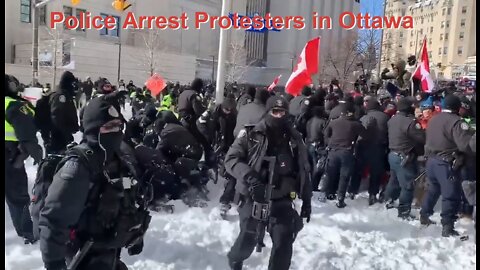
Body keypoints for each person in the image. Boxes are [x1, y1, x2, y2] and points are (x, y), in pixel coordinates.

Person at [39, 95, 151, 270]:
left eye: (118, 126)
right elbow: (53, 221)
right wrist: (54, 264)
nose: (115, 131)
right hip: (83, 256)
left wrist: (136, 234)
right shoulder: (78, 167)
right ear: (93, 129)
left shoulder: (118, 160)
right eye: (108, 127)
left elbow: (131, 198)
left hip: (109, 251)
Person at [224, 96, 311, 270]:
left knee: (284, 241)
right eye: (275, 112)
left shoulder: (294, 139)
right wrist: (251, 178)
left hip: (282, 199)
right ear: (268, 112)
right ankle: (235, 259)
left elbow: (304, 170)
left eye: (283, 112)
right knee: (247, 238)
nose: (279, 116)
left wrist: (307, 202)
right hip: (254, 196)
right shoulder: (251, 134)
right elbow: (231, 159)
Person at [420, 95, 475, 237]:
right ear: (457, 107)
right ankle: (448, 226)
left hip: (432, 160)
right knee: (450, 195)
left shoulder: (434, 118)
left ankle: (424, 214)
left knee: (433, 190)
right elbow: (465, 145)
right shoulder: (457, 122)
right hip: (446, 163)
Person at [5, 74, 43, 244]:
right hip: (11, 155)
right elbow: (26, 133)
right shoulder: (13, 104)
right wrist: (36, 152)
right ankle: (27, 231)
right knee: (18, 195)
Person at [384, 98, 426, 219]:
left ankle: (389, 200)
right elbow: (422, 138)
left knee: (394, 180)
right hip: (405, 156)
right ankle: (403, 211)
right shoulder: (410, 122)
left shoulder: (393, 120)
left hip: (393, 154)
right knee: (408, 185)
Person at [324, 103, 365, 207]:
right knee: (344, 176)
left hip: (333, 151)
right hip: (346, 152)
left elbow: (326, 134)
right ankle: (340, 197)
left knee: (331, 174)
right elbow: (365, 134)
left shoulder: (334, 122)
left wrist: (330, 142)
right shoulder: (355, 124)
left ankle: (328, 193)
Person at [351, 98, 389, 205]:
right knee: (376, 172)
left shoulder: (363, 117)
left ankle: (353, 190)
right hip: (378, 147)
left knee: (358, 169)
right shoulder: (385, 117)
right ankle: (373, 194)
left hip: (362, 146)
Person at [48, 71, 79, 153]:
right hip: (58, 137)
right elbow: (56, 116)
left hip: (63, 135)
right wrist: (66, 132)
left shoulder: (66, 95)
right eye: (73, 84)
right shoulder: (61, 96)